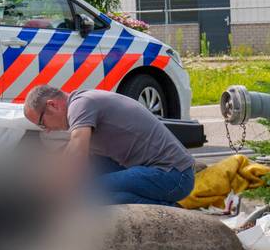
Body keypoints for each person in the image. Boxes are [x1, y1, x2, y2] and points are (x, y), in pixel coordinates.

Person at [23, 85, 195, 206]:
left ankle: (169, 211)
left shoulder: (81, 105)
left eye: (42, 124)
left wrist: (61, 189)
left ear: (52, 105)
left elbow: (77, 153)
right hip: (160, 172)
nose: (47, 131)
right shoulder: (82, 104)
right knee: (88, 180)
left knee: (88, 193)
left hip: (174, 176)